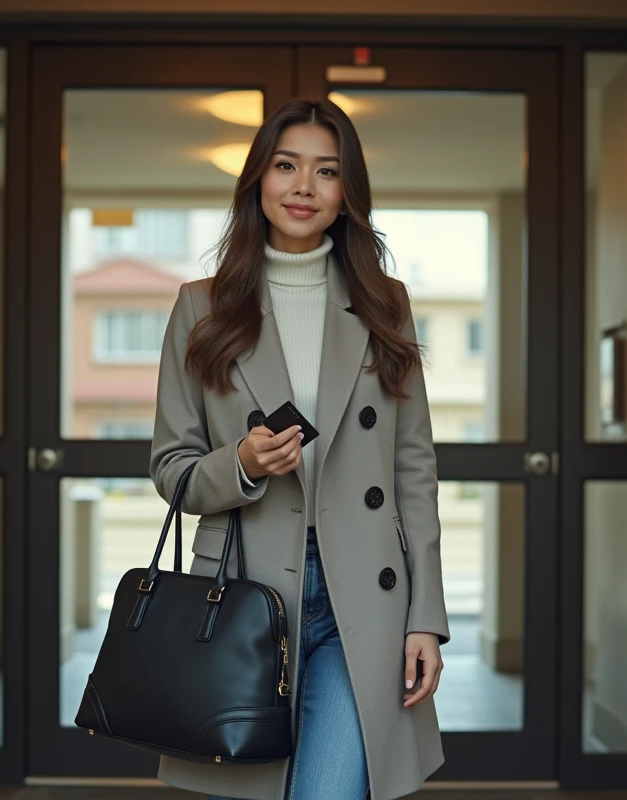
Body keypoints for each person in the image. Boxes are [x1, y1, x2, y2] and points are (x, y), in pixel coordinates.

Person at [149, 97, 450, 800]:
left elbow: (414, 470)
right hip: (246, 592)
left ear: (348, 195)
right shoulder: (202, 307)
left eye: (327, 171)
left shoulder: (384, 304)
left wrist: (426, 617)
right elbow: (172, 471)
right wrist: (243, 465)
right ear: (259, 180)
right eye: (286, 166)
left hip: (365, 601)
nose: (304, 187)